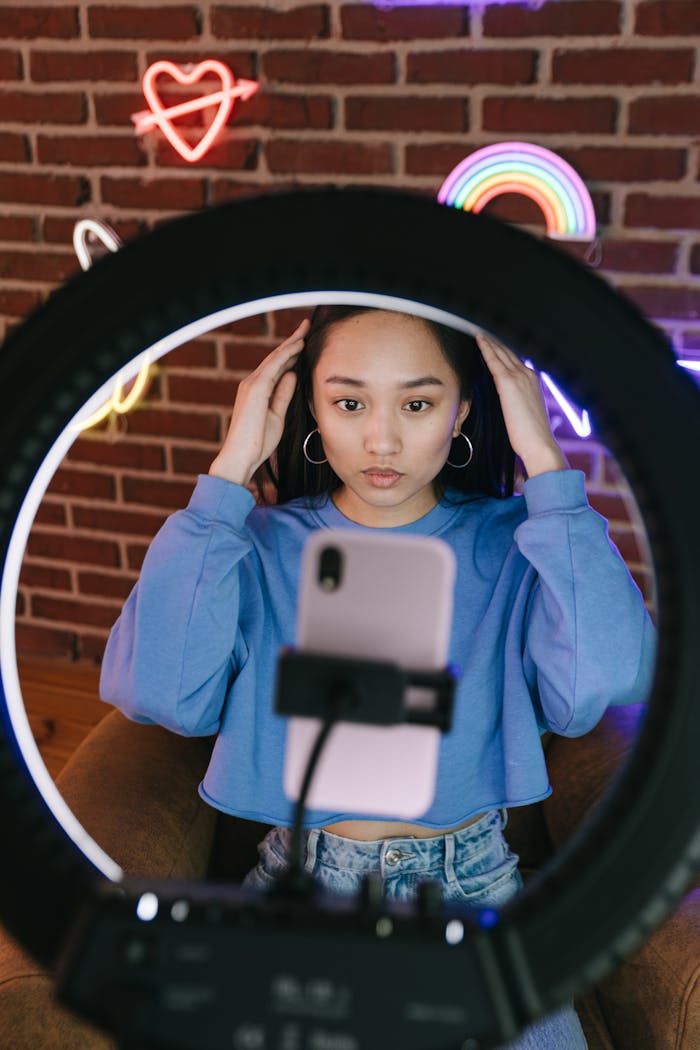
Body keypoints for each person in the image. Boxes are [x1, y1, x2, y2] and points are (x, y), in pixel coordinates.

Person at [100, 305, 656, 1049]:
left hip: (474, 896)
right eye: (349, 401)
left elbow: (608, 679)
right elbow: (159, 692)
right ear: (310, 410)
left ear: (464, 412)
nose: (381, 439)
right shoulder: (258, 545)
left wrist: (547, 467)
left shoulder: (516, 542)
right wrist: (229, 474)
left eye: (418, 403)